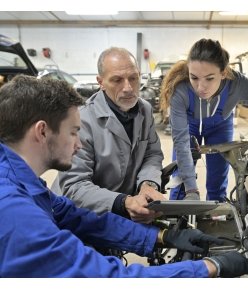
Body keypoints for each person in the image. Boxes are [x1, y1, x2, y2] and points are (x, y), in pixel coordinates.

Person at [0, 75, 248, 278]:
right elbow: (109, 278)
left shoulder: (23, 182)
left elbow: (80, 219)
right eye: (73, 132)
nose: (78, 144)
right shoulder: (14, 212)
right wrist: (210, 267)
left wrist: (162, 237)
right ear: (42, 132)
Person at [160, 38, 248, 201]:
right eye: (194, 78)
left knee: (218, 177)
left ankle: (216, 215)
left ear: (223, 73)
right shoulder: (180, 91)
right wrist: (191, 190)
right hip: (189, 126)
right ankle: (179, 211)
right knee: (181, 178)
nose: (201, 87)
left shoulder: (238, 84)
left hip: (220, 126)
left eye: (209, 78)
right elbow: (181, 143)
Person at [52, 47, 165, 224]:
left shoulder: (145, 110)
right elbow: (74, 186)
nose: (128, 88)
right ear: (101, 82)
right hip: (78, 215)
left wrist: (148, 184)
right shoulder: (81, 121)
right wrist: (123, 202)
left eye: (133, 78)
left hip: (122, 207)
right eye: (117, 80)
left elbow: (152, 154)